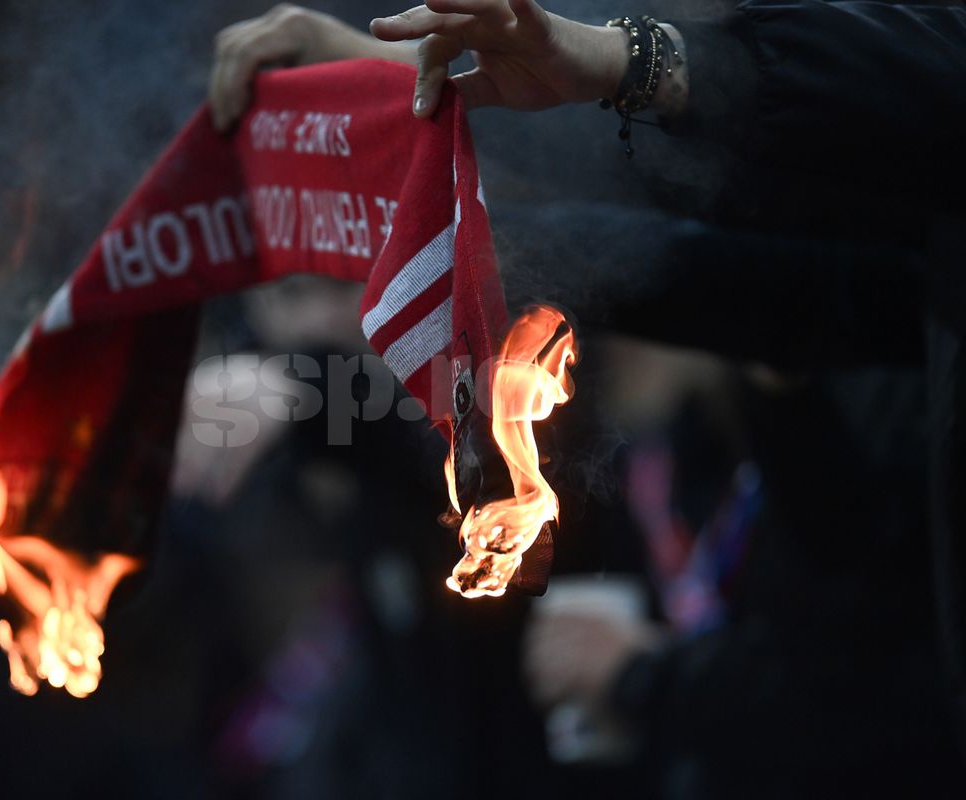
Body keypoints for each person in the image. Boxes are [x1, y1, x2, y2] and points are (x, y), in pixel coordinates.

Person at [208, 1, 966, 797]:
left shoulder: (601, 431)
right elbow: (703, 219)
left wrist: (649, 681)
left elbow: (871, 684)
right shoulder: (755, 389)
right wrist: (409, 78)